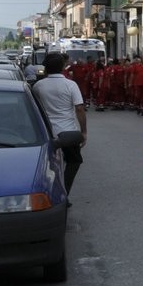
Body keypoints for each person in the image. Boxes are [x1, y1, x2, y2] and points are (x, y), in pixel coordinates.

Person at [33, 52, 88, 195]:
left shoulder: (38, 86)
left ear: (46, 67)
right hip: (68, 131)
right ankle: (65, 191)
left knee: (47, 165)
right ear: (63, 66)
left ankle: (49, 190)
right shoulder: (71, 85)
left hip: (47, 131)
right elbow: (80, 108)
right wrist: (83, 131)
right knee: (74, 161)